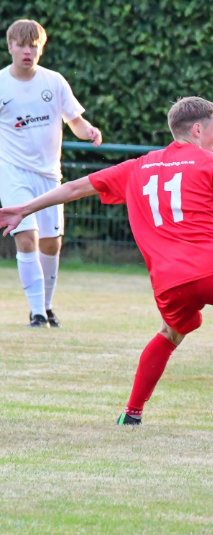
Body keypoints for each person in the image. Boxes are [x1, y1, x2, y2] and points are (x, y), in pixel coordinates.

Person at [0, 96, 213, 424]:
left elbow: (75, 188)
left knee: (170, 333)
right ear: (197, 130)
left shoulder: (138, 167)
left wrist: (24, 209)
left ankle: (131, 414)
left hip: (170, 282)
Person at [1, 19, 102, 328]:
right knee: (26, 238)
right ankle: (36, 313)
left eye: (33, 46)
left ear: (41, 49)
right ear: (10, 47)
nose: (27, 51)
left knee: (50, 243)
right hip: (13, 172)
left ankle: (46, 307)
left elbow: (75, 120)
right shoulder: (1, 83)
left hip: (48, 176)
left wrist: (89, 131)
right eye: (22, 45)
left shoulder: (54, 82)